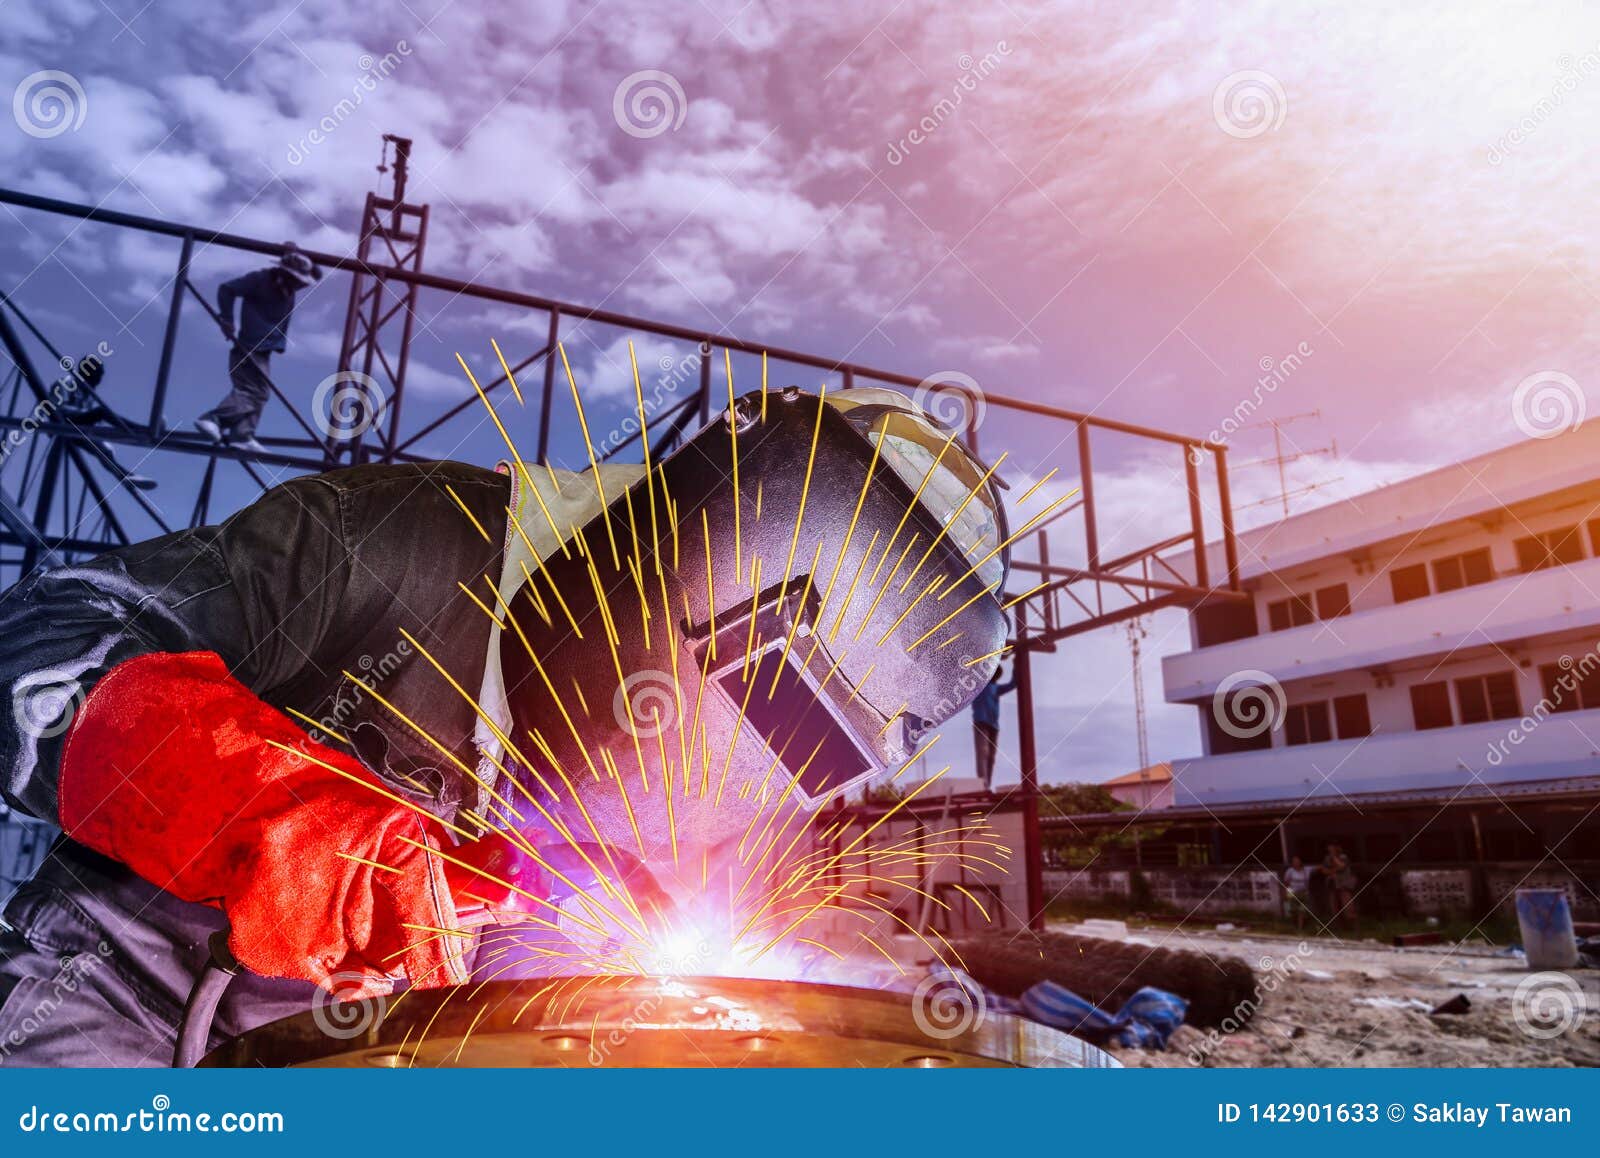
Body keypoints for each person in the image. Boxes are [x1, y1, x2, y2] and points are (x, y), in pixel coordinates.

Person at [0, 386, 1010, 1065]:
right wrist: (277, 821)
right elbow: (44, 648)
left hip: (380, 1064)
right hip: (111, 996)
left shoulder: (733, 799)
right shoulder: (395, 542)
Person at [194, 248, 321, 456]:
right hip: (249, 346)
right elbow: (227, 289)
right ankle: (213, 419)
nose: (299, 285)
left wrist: (295, 251)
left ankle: (242, 435)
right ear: (284, 273)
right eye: (296, 280)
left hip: (264, 349)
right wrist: (227, 319)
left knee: (260, 393)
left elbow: (316, 272)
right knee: (251, 392)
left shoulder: (287, 288)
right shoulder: (261, 279)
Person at [970, 667, 1017, 790]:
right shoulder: (978, 686)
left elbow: (1013, 684)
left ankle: (987, 784)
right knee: (983, 752)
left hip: (993, 725)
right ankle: (983, 785)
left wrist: (1015, 667)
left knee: (991, 756)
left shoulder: (996, 688)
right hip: (981, 722)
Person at [1320, 842, 1357, 930]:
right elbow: (1323, 870)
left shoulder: (1343, 857)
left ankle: (1354, 927)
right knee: (1334, 908)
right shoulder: (1327, 858)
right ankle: (1340, 928)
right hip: (1332, 885)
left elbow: (1342, 866)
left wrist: (1334, 858)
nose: (1330, 850)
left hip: (1343, 885)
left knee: (1348, 906)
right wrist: (1332, 871)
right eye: (1329, 848)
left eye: (1332, 848)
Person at [1281, 855, 1312, 931]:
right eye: (1294, 861)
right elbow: (1286, 883)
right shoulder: (1290, 871)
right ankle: (1294, 925)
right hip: (1292, 892)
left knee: (1302, 910)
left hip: (1304, 893)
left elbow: (1319, 868)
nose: (1296, 863)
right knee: (1293, 910)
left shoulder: (1306, 870)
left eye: (1297, 861)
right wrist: (1285, 893)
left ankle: (1300, 928)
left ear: (1301, 862)